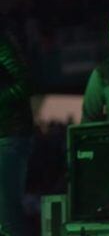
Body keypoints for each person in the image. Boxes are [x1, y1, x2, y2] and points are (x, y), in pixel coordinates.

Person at [0, 22, 33, 236]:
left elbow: (26, 83)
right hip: (7, 134)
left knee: (7, 211)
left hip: (10, 135)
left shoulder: (2, 44)